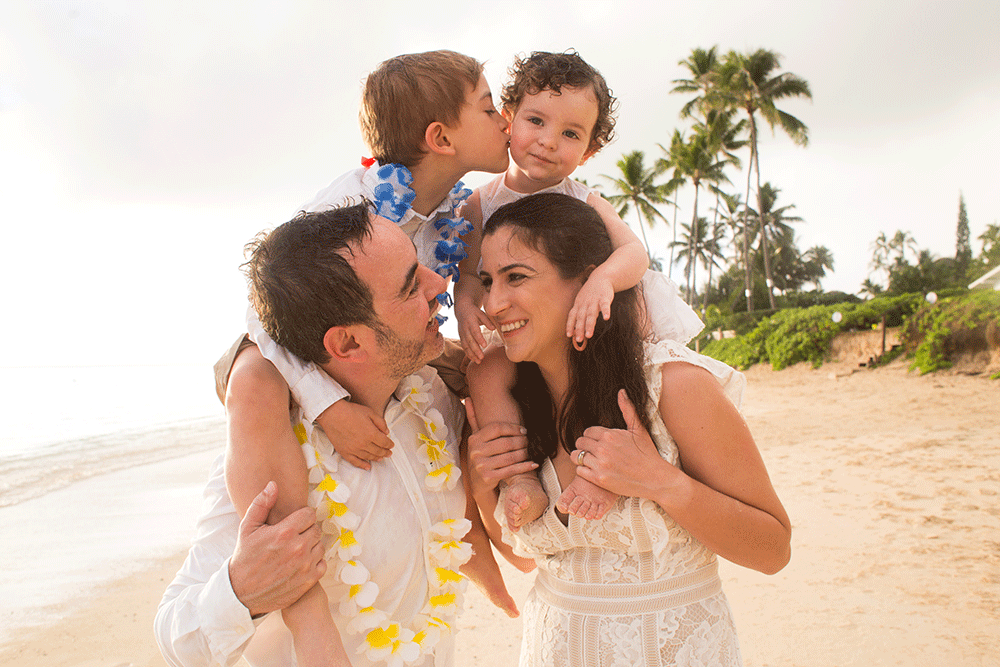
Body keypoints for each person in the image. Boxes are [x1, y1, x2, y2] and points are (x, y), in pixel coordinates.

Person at [205, 50, 517, 664]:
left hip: (389, 349)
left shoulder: (457, 208)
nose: (507, 120)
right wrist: (325, 407)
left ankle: (479, 539)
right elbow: (272, 310)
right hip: (283, 348)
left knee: (477, 371)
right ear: (441, 137)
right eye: (489, 108)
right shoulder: (352, 206)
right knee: (253, 386)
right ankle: (303, 602)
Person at [155, 204, 530, 667]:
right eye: (412, 286)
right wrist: (241, 593)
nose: (439, 286)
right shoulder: (276, 448)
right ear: (347, 343)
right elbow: (174, 638)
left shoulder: (434, 399)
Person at [466, 193, 792, 667]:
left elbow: (773, 550)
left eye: (516, 277)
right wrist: (483, 481)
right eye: (487, 281)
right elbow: (516, 547)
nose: (494, 303)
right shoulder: (509, 401)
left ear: (586, 280)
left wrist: (661, 481)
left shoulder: (673, 386)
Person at [454, 51, 704, 531]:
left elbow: (634, 253)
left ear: (588, 151)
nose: (549, 142)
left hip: (597, 315)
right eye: (536, 121)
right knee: (484, 372)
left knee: (615, 357)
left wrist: (601, 281)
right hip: (526, 322)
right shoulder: (479, 204)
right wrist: (466, 306)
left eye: (571, 134)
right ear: (507, 121)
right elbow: (467, 273)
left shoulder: (584, 200)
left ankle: (601, 469)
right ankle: (518, 479)